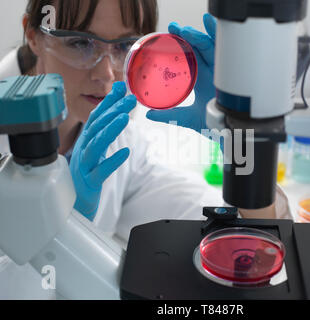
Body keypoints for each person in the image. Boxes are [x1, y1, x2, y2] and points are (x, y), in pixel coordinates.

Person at [0, 0, 291, 299]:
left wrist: (242, 144)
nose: (107, 74)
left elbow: (240, 241)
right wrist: (59, 227)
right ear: (34, 36)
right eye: (79, 43)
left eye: (125, 45)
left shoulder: (118, 136)